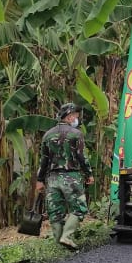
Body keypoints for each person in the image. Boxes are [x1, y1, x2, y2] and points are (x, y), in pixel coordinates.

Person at [36, 103, 93, 250]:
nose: (77, 119)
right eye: (76, 116)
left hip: (52, 179)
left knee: (55, 212)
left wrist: (40, 180)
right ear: (69, 116)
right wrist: (89, 174)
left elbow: (44, 161)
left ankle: (60, 247)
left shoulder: (47, 135)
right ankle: (66, 236)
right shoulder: (76, 134)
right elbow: (82, 157)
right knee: (79, 208)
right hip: (71, 177)